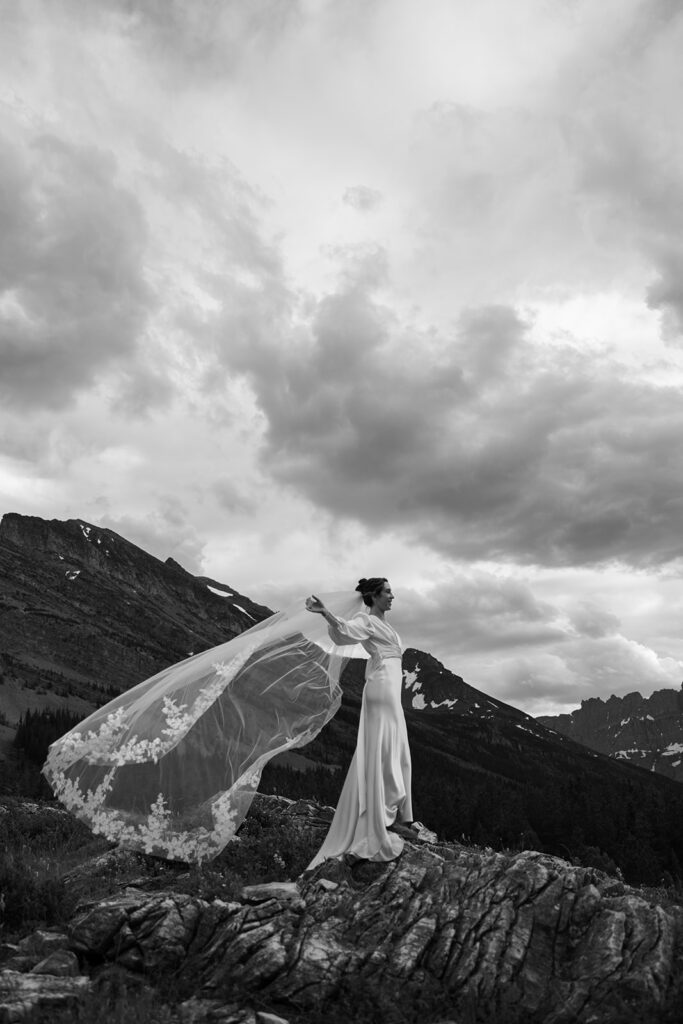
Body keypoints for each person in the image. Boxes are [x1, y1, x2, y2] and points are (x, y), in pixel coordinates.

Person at [304, 577, 423, 869]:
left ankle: (394, 812)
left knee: (395, 744)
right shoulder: (366, 621)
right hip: (381, 688)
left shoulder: (388, 626)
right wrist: (326, 613)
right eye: (388, 592)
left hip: (390, 688)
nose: (393, 596)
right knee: (385, 743)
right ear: (374, 596)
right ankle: (384, 816)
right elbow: (344, 632)